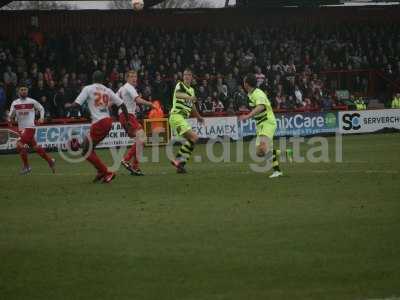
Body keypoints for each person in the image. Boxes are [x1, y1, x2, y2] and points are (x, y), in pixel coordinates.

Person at [66, 71, 130, 183]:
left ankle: (107, 172)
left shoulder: (88, 88)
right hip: (107, 121)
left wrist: (68, 106)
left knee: (85, 151)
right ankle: (101, 172)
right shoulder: (108, 90)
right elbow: (122, 105)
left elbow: (77, 104)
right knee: (89, 148)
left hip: (99, 123)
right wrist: (127, 120)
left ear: (92, 78)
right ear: (102, 79)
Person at [239, 74, 291, 178]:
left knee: (263, 148)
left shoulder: (258, 93)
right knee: (260, 152)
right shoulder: (251, 94)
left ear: (247, 84)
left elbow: (261, 106)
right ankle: (278, 169)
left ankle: (284, 155)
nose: (243, 83)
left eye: (244, 81)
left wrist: (248, 116)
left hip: (267, 122)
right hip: (260, 124)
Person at [8, 84, 56, 175]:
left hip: (30, 127)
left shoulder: (32, 101)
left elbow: (41, 108)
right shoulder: (15, 103)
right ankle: (50, 161)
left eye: (25, 89)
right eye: (22, 90)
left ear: (27, 91)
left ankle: (27, 167)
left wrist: (41, 117)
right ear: (18, 91)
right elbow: (11, 115)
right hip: (21, 129)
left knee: (19, 144)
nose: (23, 91)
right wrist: (9, 117)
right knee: (35, 147)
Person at [118, 70, 154, 176]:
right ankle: (126, 160)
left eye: (135, 76)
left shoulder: (121, 89)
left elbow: (112, 101)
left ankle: (135, 167)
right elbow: (137, 100)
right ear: (127, 78)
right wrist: (150, 104)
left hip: (124, 117)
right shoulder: (129, 87)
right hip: (128, 116)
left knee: (141, 140)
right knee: (142, 138)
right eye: (132, 76)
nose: (135, 78)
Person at [169, 69, 204, 174]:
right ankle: (178, 160)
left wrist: (198, 116)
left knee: (191, 140)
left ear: (192, 77)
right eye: (185, 75)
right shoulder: (180, 85)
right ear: (183, 76)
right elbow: (178, 95)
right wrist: (190, 97)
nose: (186, 76)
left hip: (182, 118)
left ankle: (180, 166)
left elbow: (192, 105)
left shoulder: (192, 90)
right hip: (176, 116)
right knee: (194, 137)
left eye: (189, 75)